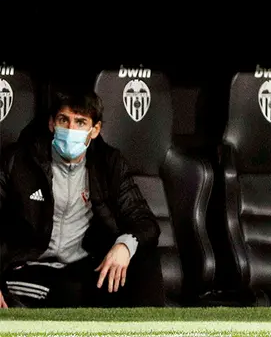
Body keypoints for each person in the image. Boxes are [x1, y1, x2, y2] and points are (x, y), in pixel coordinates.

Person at [0, 87, 165, 308]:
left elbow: (144, 220)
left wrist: (124, 246)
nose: (70, 129)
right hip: (31, 267)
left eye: (80, 122)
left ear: (94, 130)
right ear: (52, 124)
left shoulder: (108, 163)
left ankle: (151, 328)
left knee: (145, 259)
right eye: (63, 120)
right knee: (70, 293)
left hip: (81, 269)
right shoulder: (17, 160)